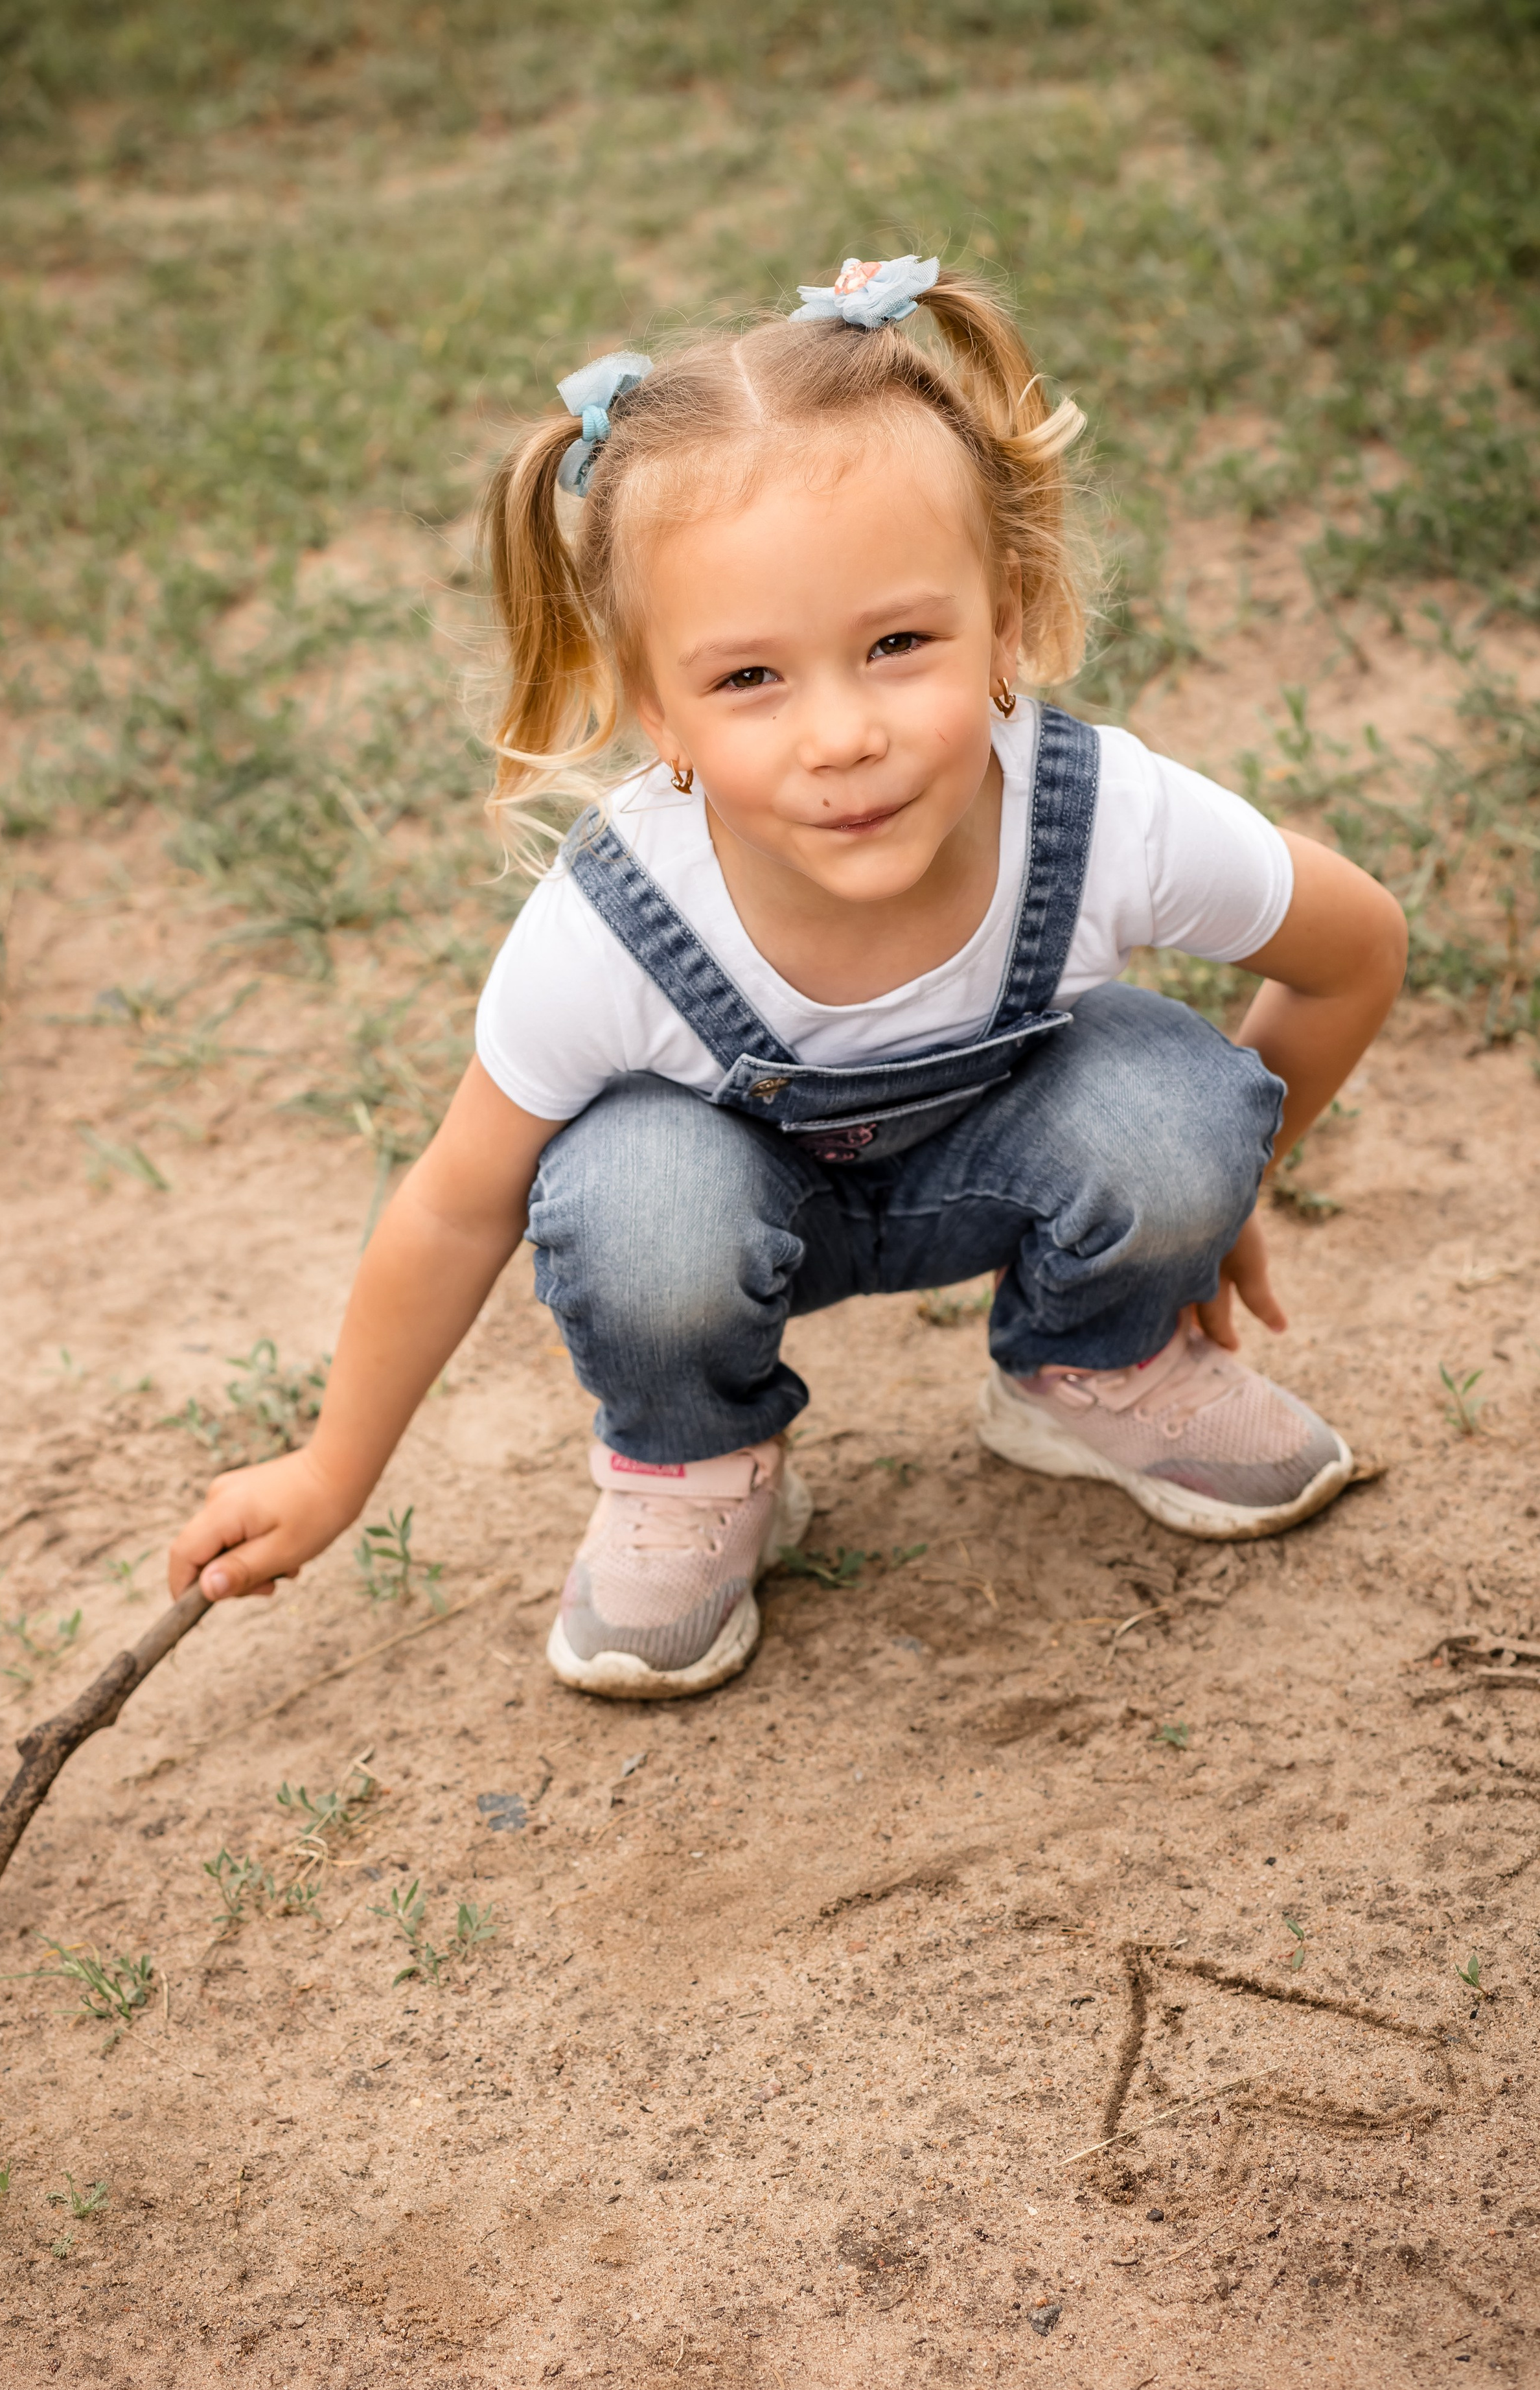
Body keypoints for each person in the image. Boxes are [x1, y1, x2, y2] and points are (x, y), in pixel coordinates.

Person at [168, 255, 1407, 1703]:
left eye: (896, 644)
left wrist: (1213, 1202)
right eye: (749, 679)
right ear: (655, 711)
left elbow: (1352, 950)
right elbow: (454, 1204)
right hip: (728, 1216)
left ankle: (1094, 1363)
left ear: (1001, 619)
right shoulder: (614, 924)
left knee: (1176, 1109)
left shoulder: (1102, 813)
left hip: (1009, 1155)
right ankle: (693, 1460)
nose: (839, 735)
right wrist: (331, 1468)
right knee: (633, 1194)